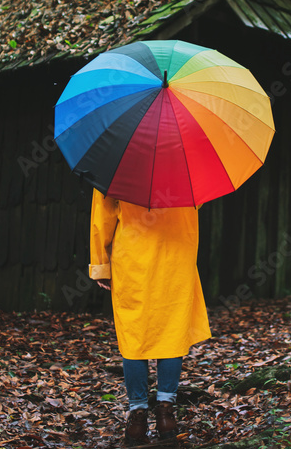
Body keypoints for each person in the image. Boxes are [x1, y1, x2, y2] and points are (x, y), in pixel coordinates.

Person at [89, 187, 212, 446]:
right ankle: (166, 414)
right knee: (172, 330)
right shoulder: (187, 156)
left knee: (134, 336)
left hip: (134, 257)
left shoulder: (115, 156)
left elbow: (103, 216)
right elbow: (197, 202)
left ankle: (137, 418)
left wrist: (100, 264)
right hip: (177, 253)